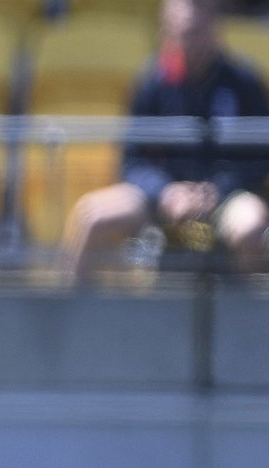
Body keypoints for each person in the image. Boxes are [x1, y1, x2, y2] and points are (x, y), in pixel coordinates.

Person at [60, 0, 269, 282]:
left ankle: (248, 320)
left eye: (198, 31)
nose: (191, 41)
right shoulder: (152, 83)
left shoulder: (243, 81)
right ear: (166, 33)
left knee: (252, 226)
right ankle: (65, 321)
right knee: (91, 216)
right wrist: (165, 192)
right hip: (161, 195)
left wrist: (217, 189)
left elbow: (260, 157)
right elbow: (131, 161)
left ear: (215, 30)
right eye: (182, 33)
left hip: (224, 195)